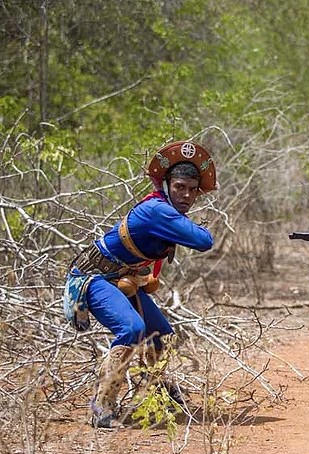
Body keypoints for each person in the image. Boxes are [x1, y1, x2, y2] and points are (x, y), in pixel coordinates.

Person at [63, 140, 217, 428]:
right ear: (167, 185)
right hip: (94, 277)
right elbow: (203, 240)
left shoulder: (165, 210)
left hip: (121, 277)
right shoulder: (157, 211)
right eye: (179, 187)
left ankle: (153, 395)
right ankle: (102, 406)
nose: (186, 195)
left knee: (162, 335)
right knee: (132, 328)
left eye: (192, 189)